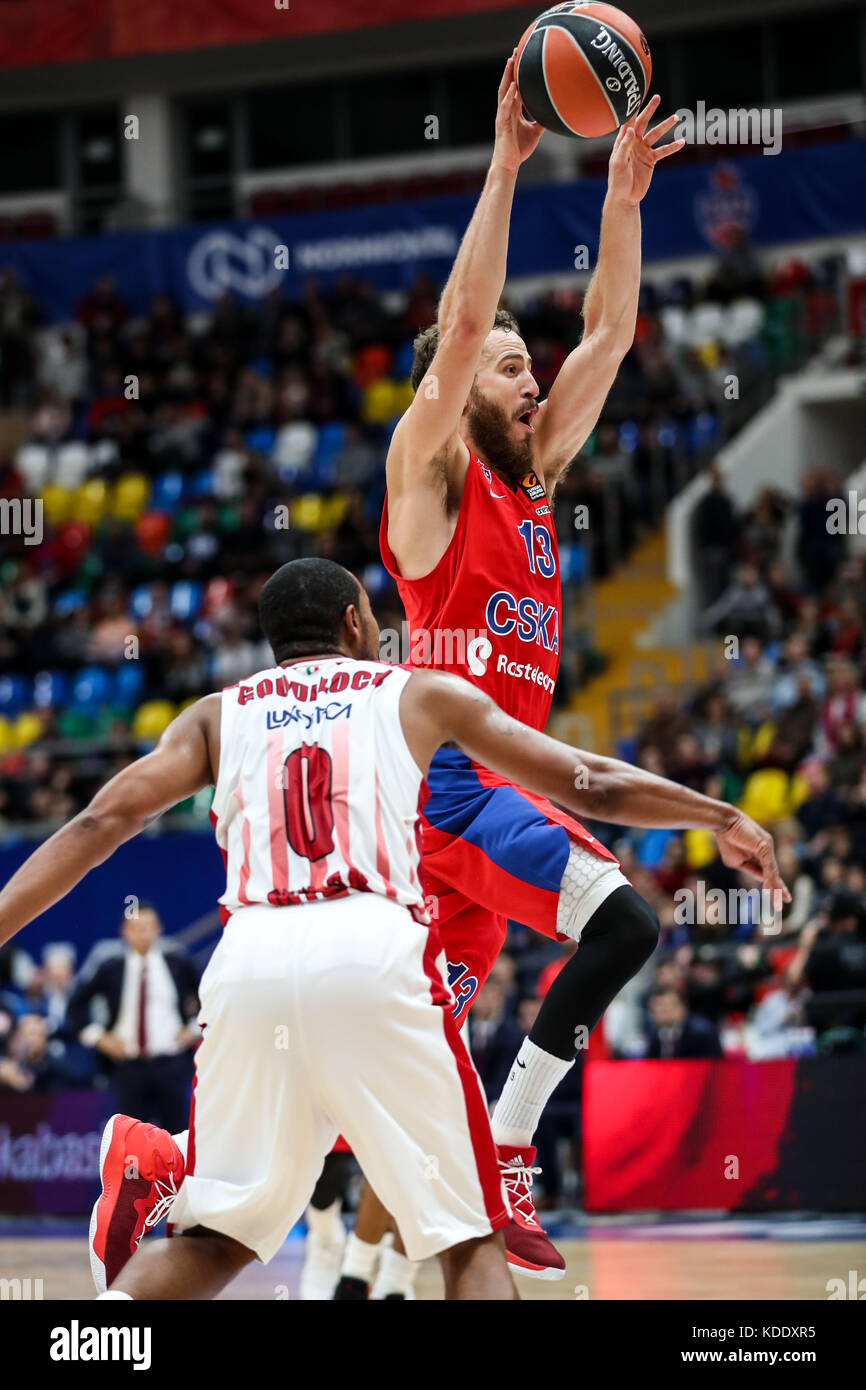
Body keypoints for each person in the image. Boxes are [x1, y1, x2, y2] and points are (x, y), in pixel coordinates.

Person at [0, 559, 786, 1301]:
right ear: (353, 622)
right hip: (369, 949)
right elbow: (591, 782)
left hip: (248, 966)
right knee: (471, 1236)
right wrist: (715, 814)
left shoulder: (217, 716)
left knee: (214, 1240)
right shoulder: (413, 693)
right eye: (374, 617)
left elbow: (101, 822)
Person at [376, 52, 685, 1276]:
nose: (529, 375)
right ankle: (513, 1148)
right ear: (451, 398)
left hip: (480, 806)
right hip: (452, 786)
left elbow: (608, 331)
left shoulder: (530, 476)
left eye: (525, 363)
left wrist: (618, 200)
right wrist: (503, 166)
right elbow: (459, 329)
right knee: (624, 925)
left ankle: (171, 1167)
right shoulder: (427, 480)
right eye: (510, 366)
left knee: (390, 1069)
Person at [65, 904, 201, 1133]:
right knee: (131, 1138)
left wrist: (193, 1030)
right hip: (128, 1066)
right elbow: (75, 1006)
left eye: (149, 927)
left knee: (178, 1135)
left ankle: (178, 1171)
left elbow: (211, 998)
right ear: (124, 932)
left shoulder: (179, 964)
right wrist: (100, 1038)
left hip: (172, 1063)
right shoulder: (111, 968)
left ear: (159, 930)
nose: (144, 933)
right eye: (137, 928)